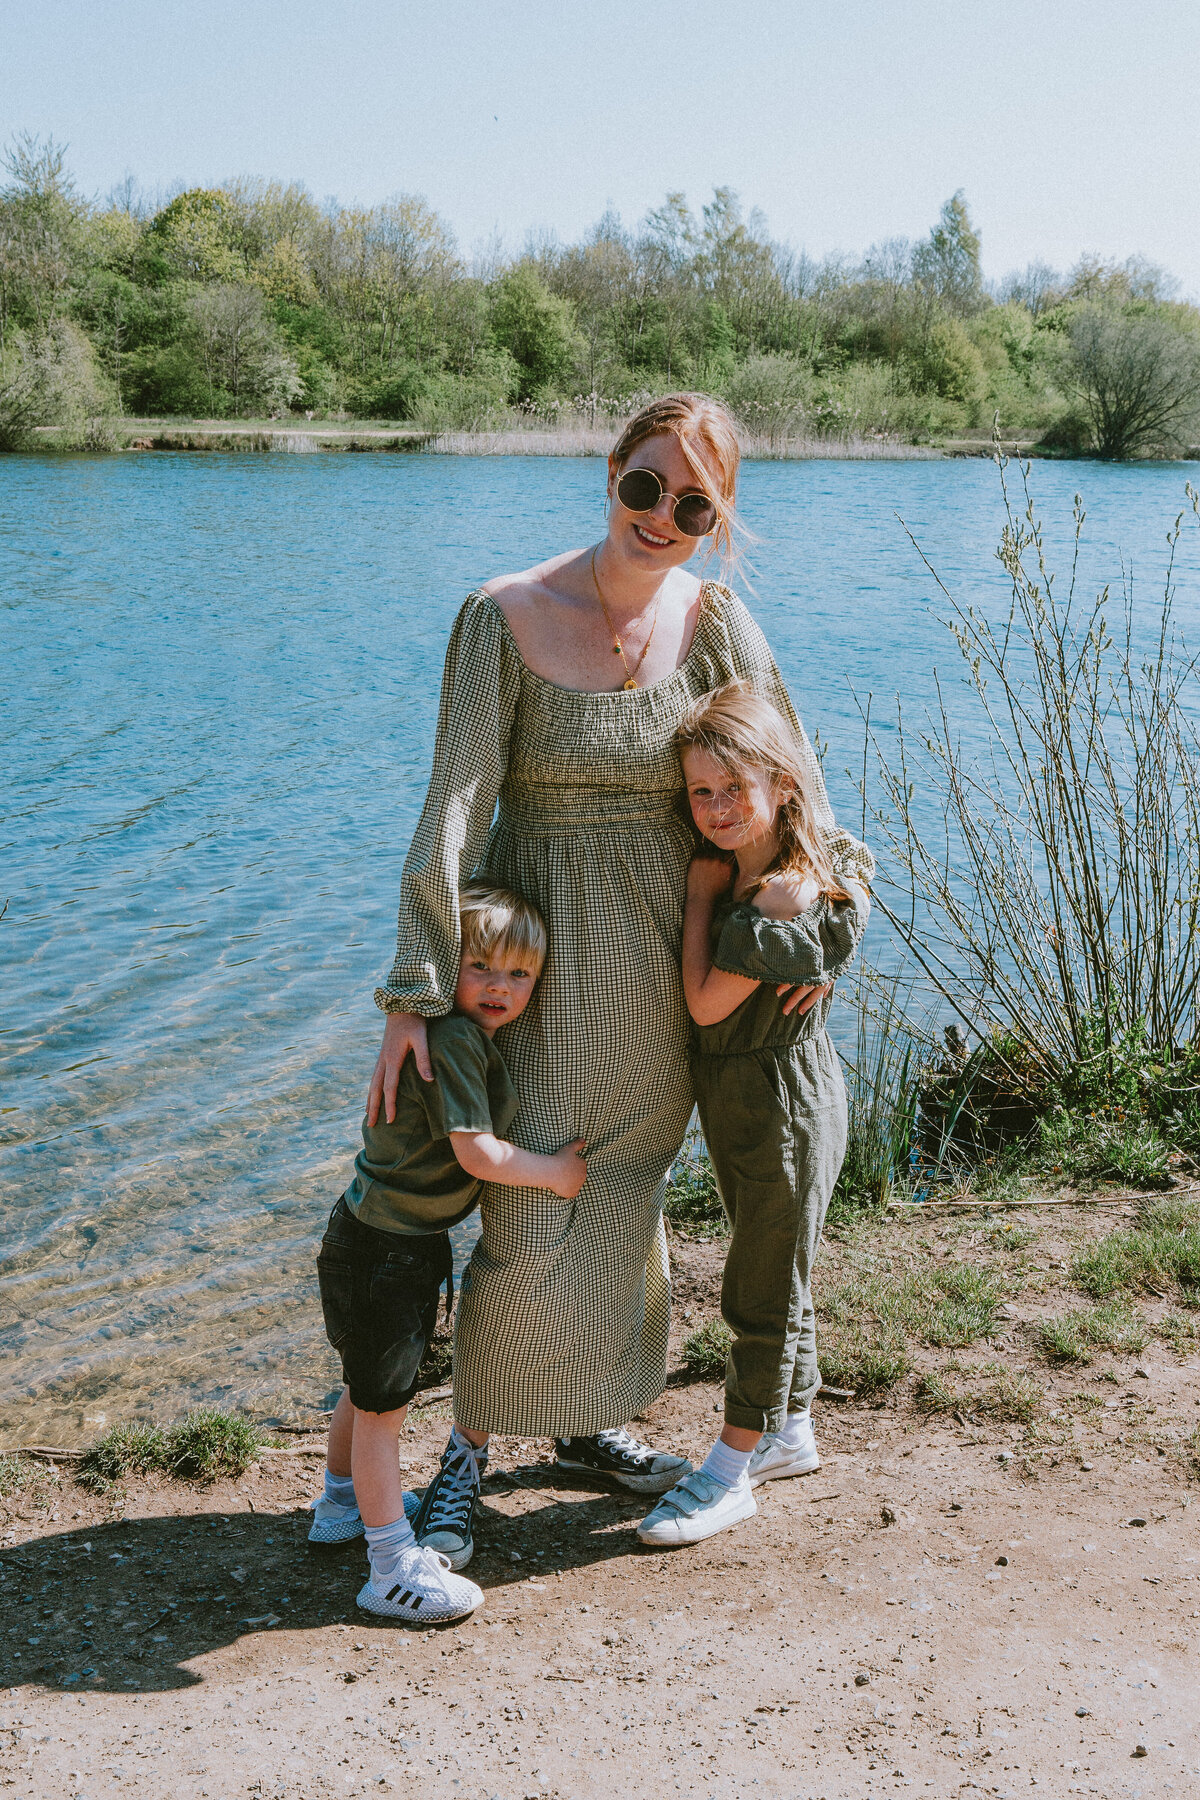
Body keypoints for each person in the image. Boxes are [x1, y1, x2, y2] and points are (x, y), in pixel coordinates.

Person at [367, 392, 874, 1571]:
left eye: (693, 503)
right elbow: (453, 805)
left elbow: (793, 771)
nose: (663, 515)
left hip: (672, 970)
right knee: (523, 1202)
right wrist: (414, 988)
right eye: (646, 486)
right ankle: (468, 1458)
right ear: (610, 474)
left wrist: (821, 919)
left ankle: (592, 1417)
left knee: (626, 1193)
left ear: (716, 518)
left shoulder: (717, 622)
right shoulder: (500, 616)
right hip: (531, 969)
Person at [311, 884, 586, 1622]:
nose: (499, 986)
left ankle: (340, 1504)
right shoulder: (458, 1041)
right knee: (384, 1412)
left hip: (366, 1234)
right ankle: (390, 1566)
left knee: (367, 1386)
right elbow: (477, 1153)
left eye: (519, 974)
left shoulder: (453, 1030)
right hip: (388, 1252)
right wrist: (555, 1173)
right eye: (481, 967)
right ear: (445, 968)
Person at [638, 685, 870, 1547]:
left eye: (734, 788)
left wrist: (703, 898)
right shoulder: (784, 871)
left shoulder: (771, 896)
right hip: (748, 1103)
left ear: (781, 782)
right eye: (701, 793)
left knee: (761, 1289)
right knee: (780, 1262)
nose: (717, 808)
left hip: (781, 1105)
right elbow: (851, 875)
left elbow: (703, 1004)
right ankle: (791, 1432)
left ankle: (731, 1469)